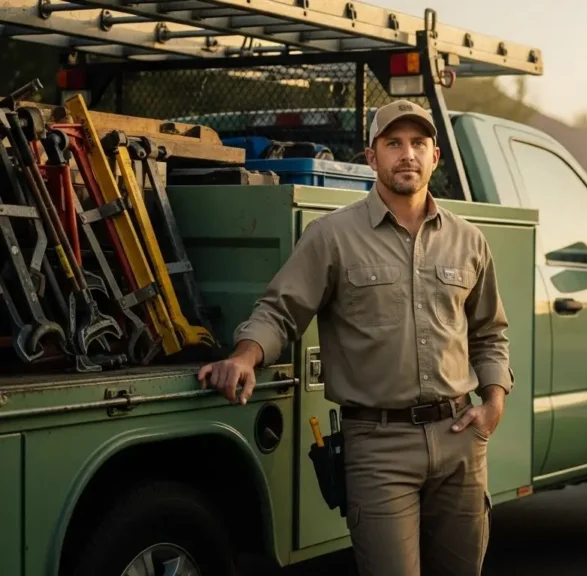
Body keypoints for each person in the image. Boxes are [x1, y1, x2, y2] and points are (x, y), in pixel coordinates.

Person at [197, 99, 514, 576]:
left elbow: (490, 331)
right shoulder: (332, 236)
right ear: (372, 158)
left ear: (434, 158)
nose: (407, 154)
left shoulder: (469, 241)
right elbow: (280, 311)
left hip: (460, 440)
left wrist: (493, 401)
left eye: (418, 144)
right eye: (393, 144)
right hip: (378, 446)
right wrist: (245, 356)